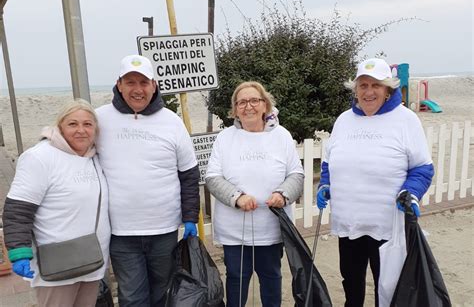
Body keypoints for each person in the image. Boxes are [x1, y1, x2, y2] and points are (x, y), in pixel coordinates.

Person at [316, 58, 434, 307]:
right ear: (355, 89)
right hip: (350, 222)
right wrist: (325, 184)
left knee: (388, 286)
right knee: (351, 282)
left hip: (388, 224)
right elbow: (329, 161)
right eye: (363, 85)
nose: (369, 92)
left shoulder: (406, 120)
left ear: (387, 89)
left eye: (376, 86)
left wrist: (411, 192)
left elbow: (422, 168)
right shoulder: (343, 120)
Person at [95, 54, 200, 306]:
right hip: (120, 232)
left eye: (144, 83)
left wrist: (189, 217)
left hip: (163, 230)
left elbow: (189, 174)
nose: (138, 90)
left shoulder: (172, 122)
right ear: (119, 84)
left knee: (164, 293)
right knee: (132, 296)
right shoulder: (99, 119)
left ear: (154, 85)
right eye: (130, 82)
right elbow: (72, 147)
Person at [3, 99, 110, 307]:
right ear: (59, 126)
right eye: (73, 124)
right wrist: (19, 252)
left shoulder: (94, 158)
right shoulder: (40, 157)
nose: (81, 130)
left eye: (88, 124)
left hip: (93, 261)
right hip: (56, 266)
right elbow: (18, 210)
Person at [205, 81, 304, 307]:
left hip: (270, 229)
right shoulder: (225, 138)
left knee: (271, 278)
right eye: (241, 102)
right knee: (237, 279)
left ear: (265, 105)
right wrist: (237, 197)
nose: (248, 106)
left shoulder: (281, 135)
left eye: (254, 100)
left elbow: (296, 175)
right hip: (234, 233)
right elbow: (212, 177)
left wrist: (283, 194)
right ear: (235, 109)